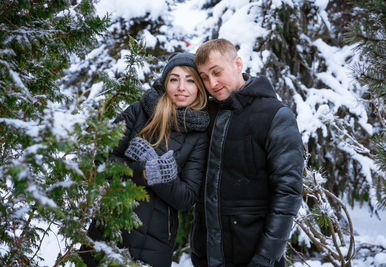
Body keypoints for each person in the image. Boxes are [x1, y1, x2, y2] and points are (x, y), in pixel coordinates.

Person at [80, 52, 210, 267]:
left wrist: (159, 173)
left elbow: (186, 197)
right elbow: (101, 158)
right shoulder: (140, 111)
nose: (181, 87)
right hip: (111, 221)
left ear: (199, 87)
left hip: (156, 239)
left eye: (190, 80)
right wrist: (143, 171)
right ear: (165, 82)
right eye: (174, 79)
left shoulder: (200, 135)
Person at [190, 38, 304, 267]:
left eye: (217, 72)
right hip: (207, 257)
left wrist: (265, 258)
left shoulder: (275, 115)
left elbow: (288, 194)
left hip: (252, 257)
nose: (212, 83)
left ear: (238, 64)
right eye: (204, 77)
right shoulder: (207, 115)